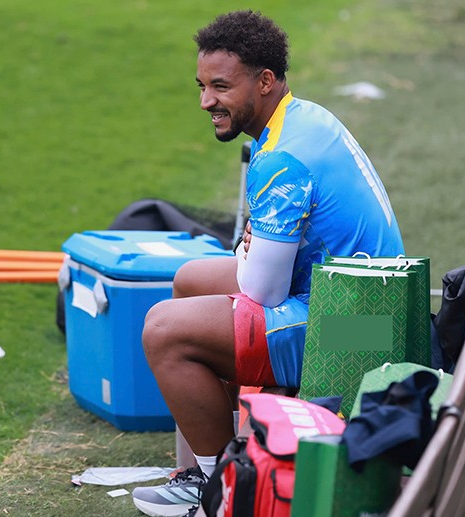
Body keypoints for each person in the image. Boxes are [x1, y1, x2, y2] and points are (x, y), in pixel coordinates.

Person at [132, 10, 404, 517]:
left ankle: (220, 489)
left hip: (356, 332)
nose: (206, 101)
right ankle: (199, 467)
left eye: (220, 87)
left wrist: (247, 248)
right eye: (202, 86)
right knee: (189, 280)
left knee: (163, 330)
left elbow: (263, 292)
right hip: (373, 311)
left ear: (264, 81)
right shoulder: (303, 116)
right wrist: (249, 248)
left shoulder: (282, 158)